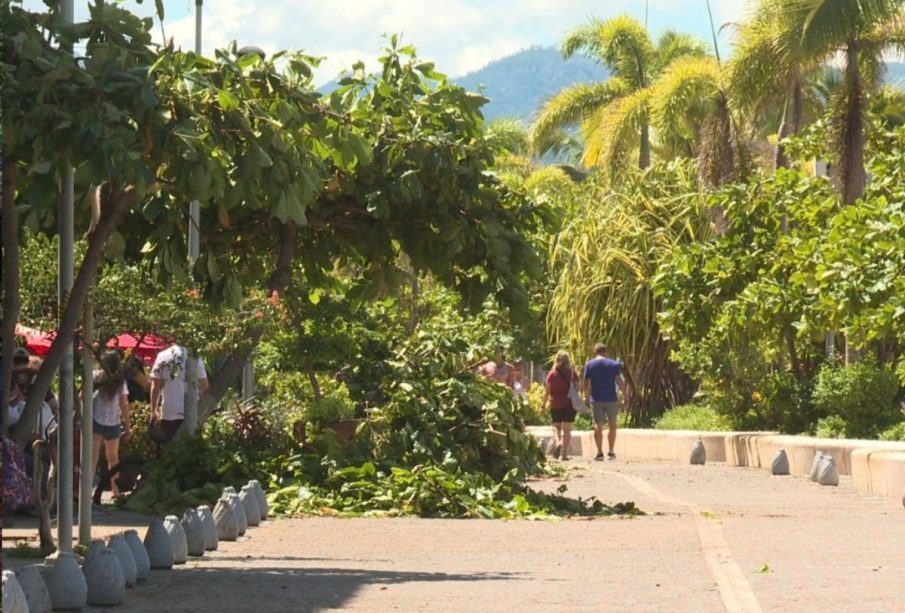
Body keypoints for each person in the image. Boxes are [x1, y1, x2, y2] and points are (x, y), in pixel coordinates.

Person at [91, 350, 131, 498]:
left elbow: (83, 396)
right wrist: (127, 426)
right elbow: (124, 404)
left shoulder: (96, 376)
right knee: (113, 458)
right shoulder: (120, 381)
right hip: (113, 421)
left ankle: (85, 490)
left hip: (95, 419)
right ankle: (116, 490)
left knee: (92, 457)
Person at [149, 345, 208, 444]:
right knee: (189, 447)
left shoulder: (163, 356)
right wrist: (203, 410)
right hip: (190, 412)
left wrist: (153, 410)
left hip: (168, 411)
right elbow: (204, 386)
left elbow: (155, 386)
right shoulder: (195, 357)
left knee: (168, 447)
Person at [582, 343, 627, 461]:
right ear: (605, 352)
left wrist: (586, 396)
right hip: (611, 398)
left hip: (596, 399)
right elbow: (619, 380)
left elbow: (586, 382)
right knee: (612, 424)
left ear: (595, 352)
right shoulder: (613, 364)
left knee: (598, 425)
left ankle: (599, 452)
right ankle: (611, 452)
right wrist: (625, 395)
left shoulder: (589, 364)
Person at [542, 350, 578, 461]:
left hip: (555, 403)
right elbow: (577, 389)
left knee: (556, 426)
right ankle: (564, 455)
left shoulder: (552, 374)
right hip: (569, 403)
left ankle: (558, 442)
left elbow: (546, 391)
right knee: (567, 429)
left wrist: (542, 405)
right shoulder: (572, 373)